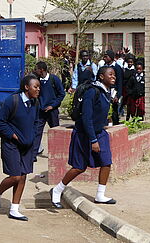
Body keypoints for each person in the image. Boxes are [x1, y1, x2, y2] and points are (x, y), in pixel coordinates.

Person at [50, 66, 117, 208]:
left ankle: (100, 195)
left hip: (100, 133)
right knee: (79, 167)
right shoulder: (92, 92)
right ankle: (57, 190)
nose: (113, 77)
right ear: (101, 77)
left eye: (114, 75)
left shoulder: (106, 92)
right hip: (85, 134)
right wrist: (93, 140)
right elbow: (86, 117)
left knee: (106, 162)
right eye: (110, 74)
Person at [0, 75, 40, 221]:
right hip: (11, 144)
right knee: (15, 176)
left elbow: (36, 122)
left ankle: (14, 209)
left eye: (38, 87)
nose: (38, 90)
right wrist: (14, 136)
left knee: (23, 176)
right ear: (26, 87)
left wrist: (33, 137)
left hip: (27, 146)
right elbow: (0, 123)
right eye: (35, 87)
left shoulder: (35, 102)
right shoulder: (12, 101)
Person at [33, 61, 65, 162]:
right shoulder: (37, 80)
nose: (35, 70)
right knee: (37, 132)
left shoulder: (53, 79)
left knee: (55, 131)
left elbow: (61, 94)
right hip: (41, 111)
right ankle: (33, 154)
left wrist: (53, 105)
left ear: (41, 70)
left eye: (37, 68)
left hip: (52, 111)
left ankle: (58, 153)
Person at [103, 50, 124, 125]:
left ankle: (115, 124)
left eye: (106, 57)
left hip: (113, 91)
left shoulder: (117, 68)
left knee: (114, 109)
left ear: (111, 57)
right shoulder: (104, 67)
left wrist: (118, 95)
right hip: (105, 90)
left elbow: (120, 82)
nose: (104, 58)